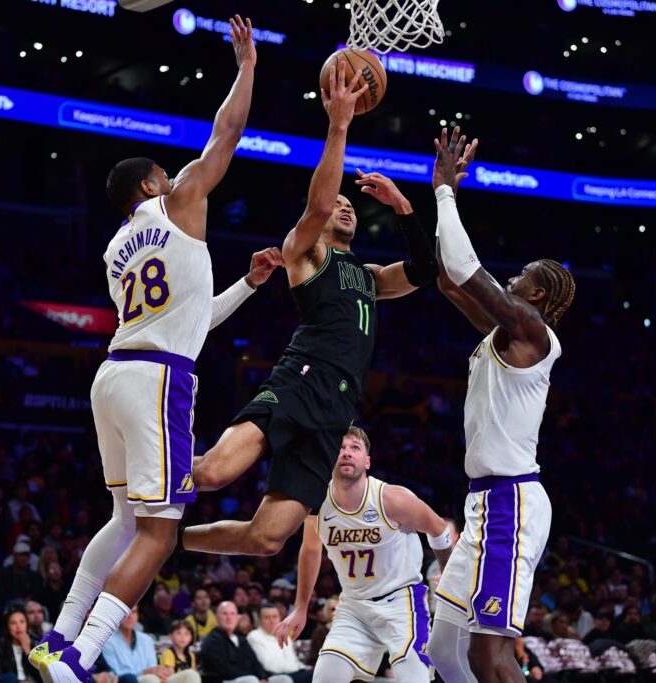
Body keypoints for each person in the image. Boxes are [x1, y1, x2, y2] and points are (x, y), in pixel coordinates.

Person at [33, 17, 274, 683]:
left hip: (114, 372)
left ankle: (56, 636)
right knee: (159, 532)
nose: (174, 176)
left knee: (122, 516)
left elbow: (185, 323)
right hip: (158, 380)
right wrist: (247, 66)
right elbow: (226, 133)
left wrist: (248, 287)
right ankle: (81, 658)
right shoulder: (180, 198)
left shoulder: (117, 249)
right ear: (149, 185)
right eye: (164, 173)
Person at [180, 57, 439, 565]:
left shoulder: (370, 277)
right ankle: (135, 491)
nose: (344, 207)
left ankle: (173, 541)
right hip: (299, 381)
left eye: (351, 205)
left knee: (268, 539)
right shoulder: (306, 254)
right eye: (337, 202)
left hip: (336, 410)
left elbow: (426, 268)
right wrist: (338, 125)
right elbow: (318, 206)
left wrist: (404, 207)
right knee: (210, 474)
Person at [426, 127, 574, 683]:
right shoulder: (501, 336)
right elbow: (447, 278)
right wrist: (406, 206)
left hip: (511, 502)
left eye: (521, 278)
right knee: (443, 648)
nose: (511, 280)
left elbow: (467, 270)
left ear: (535, 295)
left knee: (491, 656)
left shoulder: (533, 332)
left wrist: (446, 191)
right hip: (482, 505)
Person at [274, 427, 451, 682]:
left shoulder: (391, 498)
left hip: (401, 602)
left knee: (414, 677)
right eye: (340, 448)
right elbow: (310, 551)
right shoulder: (317, 501)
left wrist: (447, 572)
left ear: (367, 461)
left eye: (355, 448)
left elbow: (439, 528)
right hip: (354, 606)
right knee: (325, 677)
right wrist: (300, 608)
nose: (346, 453)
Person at [199, 602, 291, 683]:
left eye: (232, 614)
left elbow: (255, 663)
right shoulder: (211, 640)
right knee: (250, 680)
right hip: (224, 680)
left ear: (237, 617)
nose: (229, 618)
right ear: (216, 617)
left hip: (248, 678)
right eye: (225, 614)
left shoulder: (241, 640)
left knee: (283, 679)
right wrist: (255, 678)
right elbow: (224, 669)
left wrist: (262, 677)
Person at [100, 609, 171, 683]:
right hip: (125, 680)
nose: (130, 616)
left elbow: (152, 667)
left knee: (181, 676)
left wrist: (160, 673)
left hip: (149, 678)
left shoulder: (147, 639)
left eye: (134, 612)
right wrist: (144, 672)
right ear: (117, 615)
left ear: (137, 615)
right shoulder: (108, 641)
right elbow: (114, 673)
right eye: (126, 613)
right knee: (150, 679)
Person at [248, 603, 310, 683]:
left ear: (280, 618)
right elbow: (269, 666)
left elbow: (293, 660)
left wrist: (302, 667)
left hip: (293, 672)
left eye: (275, 617)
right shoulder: (254, 636)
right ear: (259, 621)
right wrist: (298, 667)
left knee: (316, 672)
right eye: (267, 618)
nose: (272, 621)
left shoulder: (285, 635)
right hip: (273, 676)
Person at [0, 607, 40, 682]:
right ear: (7, 627)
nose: (18, 626)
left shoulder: (36, 645)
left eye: (22, 622)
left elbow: (41, 676)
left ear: (27, 625)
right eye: (13, 623)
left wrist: (28, 651)